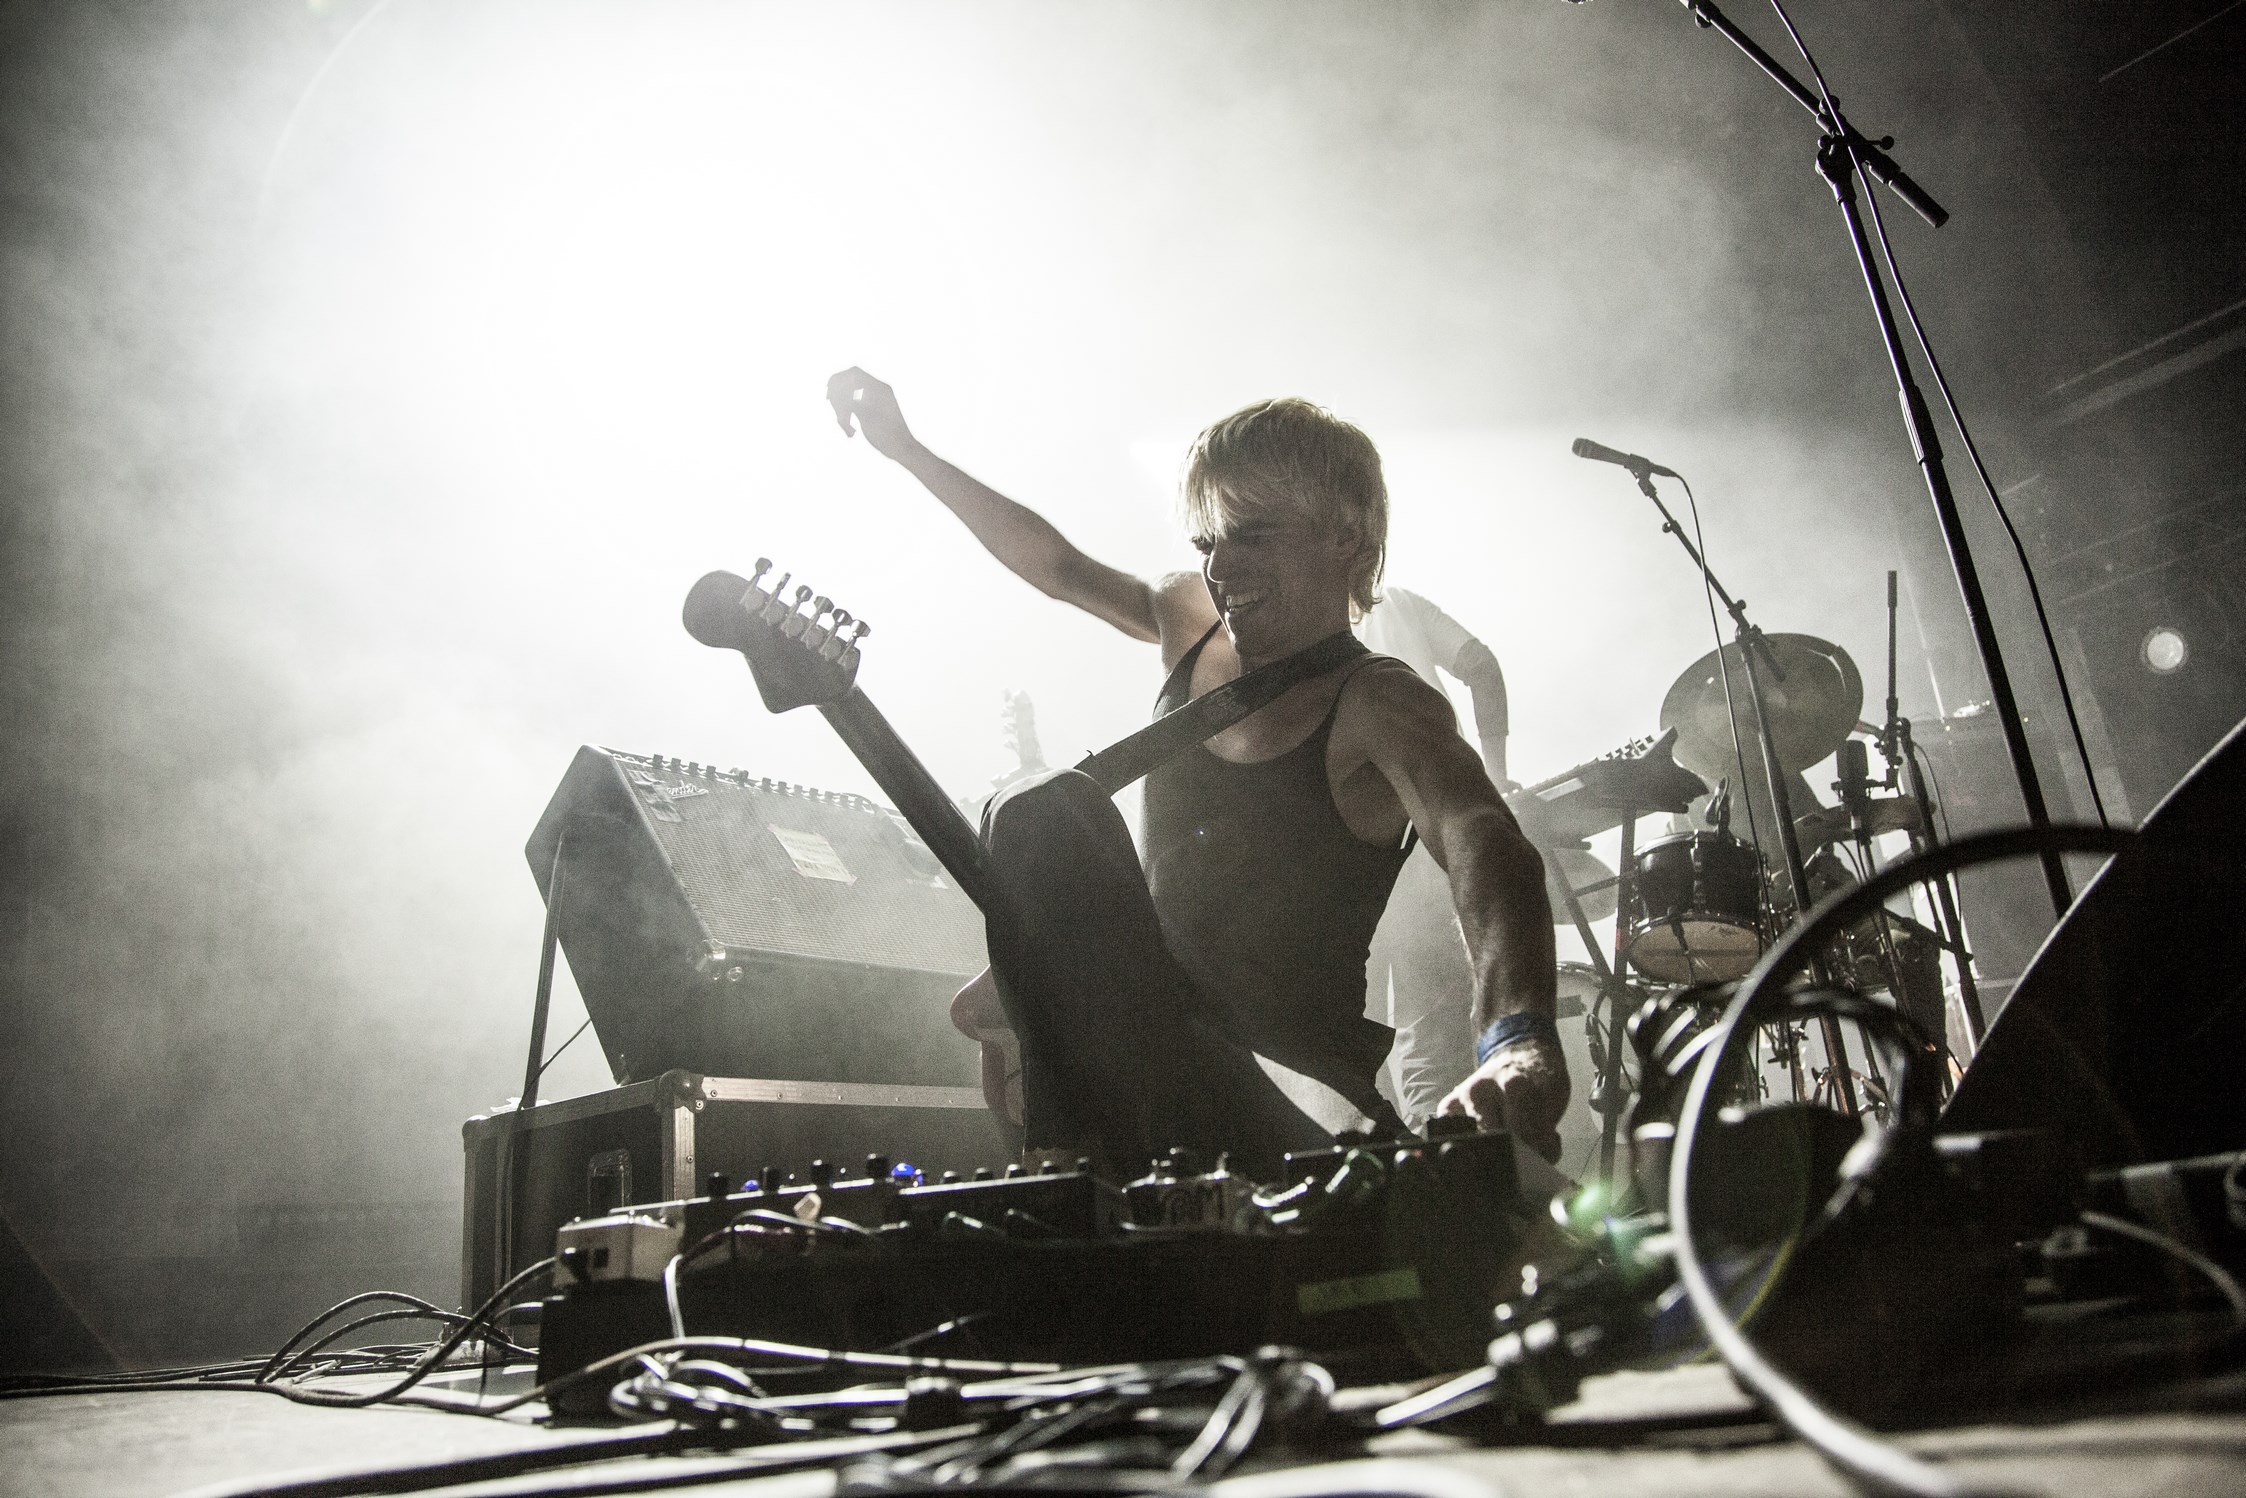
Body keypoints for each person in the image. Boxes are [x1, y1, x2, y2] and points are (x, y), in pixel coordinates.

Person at [826, 368, 1567, 1173]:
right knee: (1038, 808)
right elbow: (1058, 567)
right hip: (1148, 1053)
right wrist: (909, 451)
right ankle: (1068, 1167)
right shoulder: (1190, 621)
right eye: (1208, 542)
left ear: (1346, 538)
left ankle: (1070, 1163)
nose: (1222, 568)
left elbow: (1488, 844)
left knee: (1045, 805)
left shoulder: (1380, 701)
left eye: (1253, 535)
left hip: (1280, 1092)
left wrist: (1516, 1041)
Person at [1356, 588, 1516, 1126]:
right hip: (1425, 830)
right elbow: (1482, 666)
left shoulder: (1278, 627)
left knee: (1356, 1040)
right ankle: (1448, 1152)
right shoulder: (1397, 602)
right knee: (1437, 1022)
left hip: (1341, 858)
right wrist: (1495, 776)